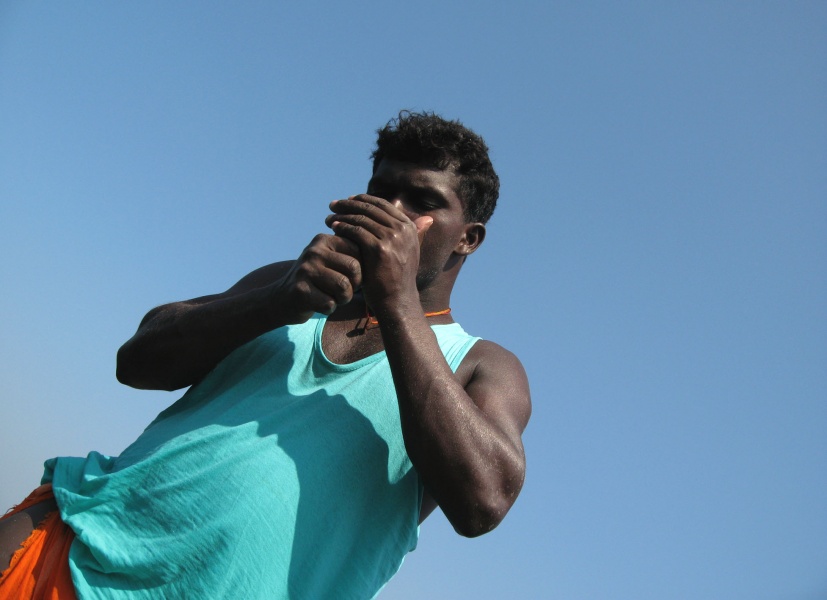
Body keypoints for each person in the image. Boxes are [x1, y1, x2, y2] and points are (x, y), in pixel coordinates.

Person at [0, 111, 531, 599]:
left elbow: (482, 504)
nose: (390, 212)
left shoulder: (482, 364)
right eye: (381, 191)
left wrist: (398, 303)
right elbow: (136, 361)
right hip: (69, 546)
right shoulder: (291, 283)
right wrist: (274, 301)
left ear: (468, 239)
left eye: (422, 201)